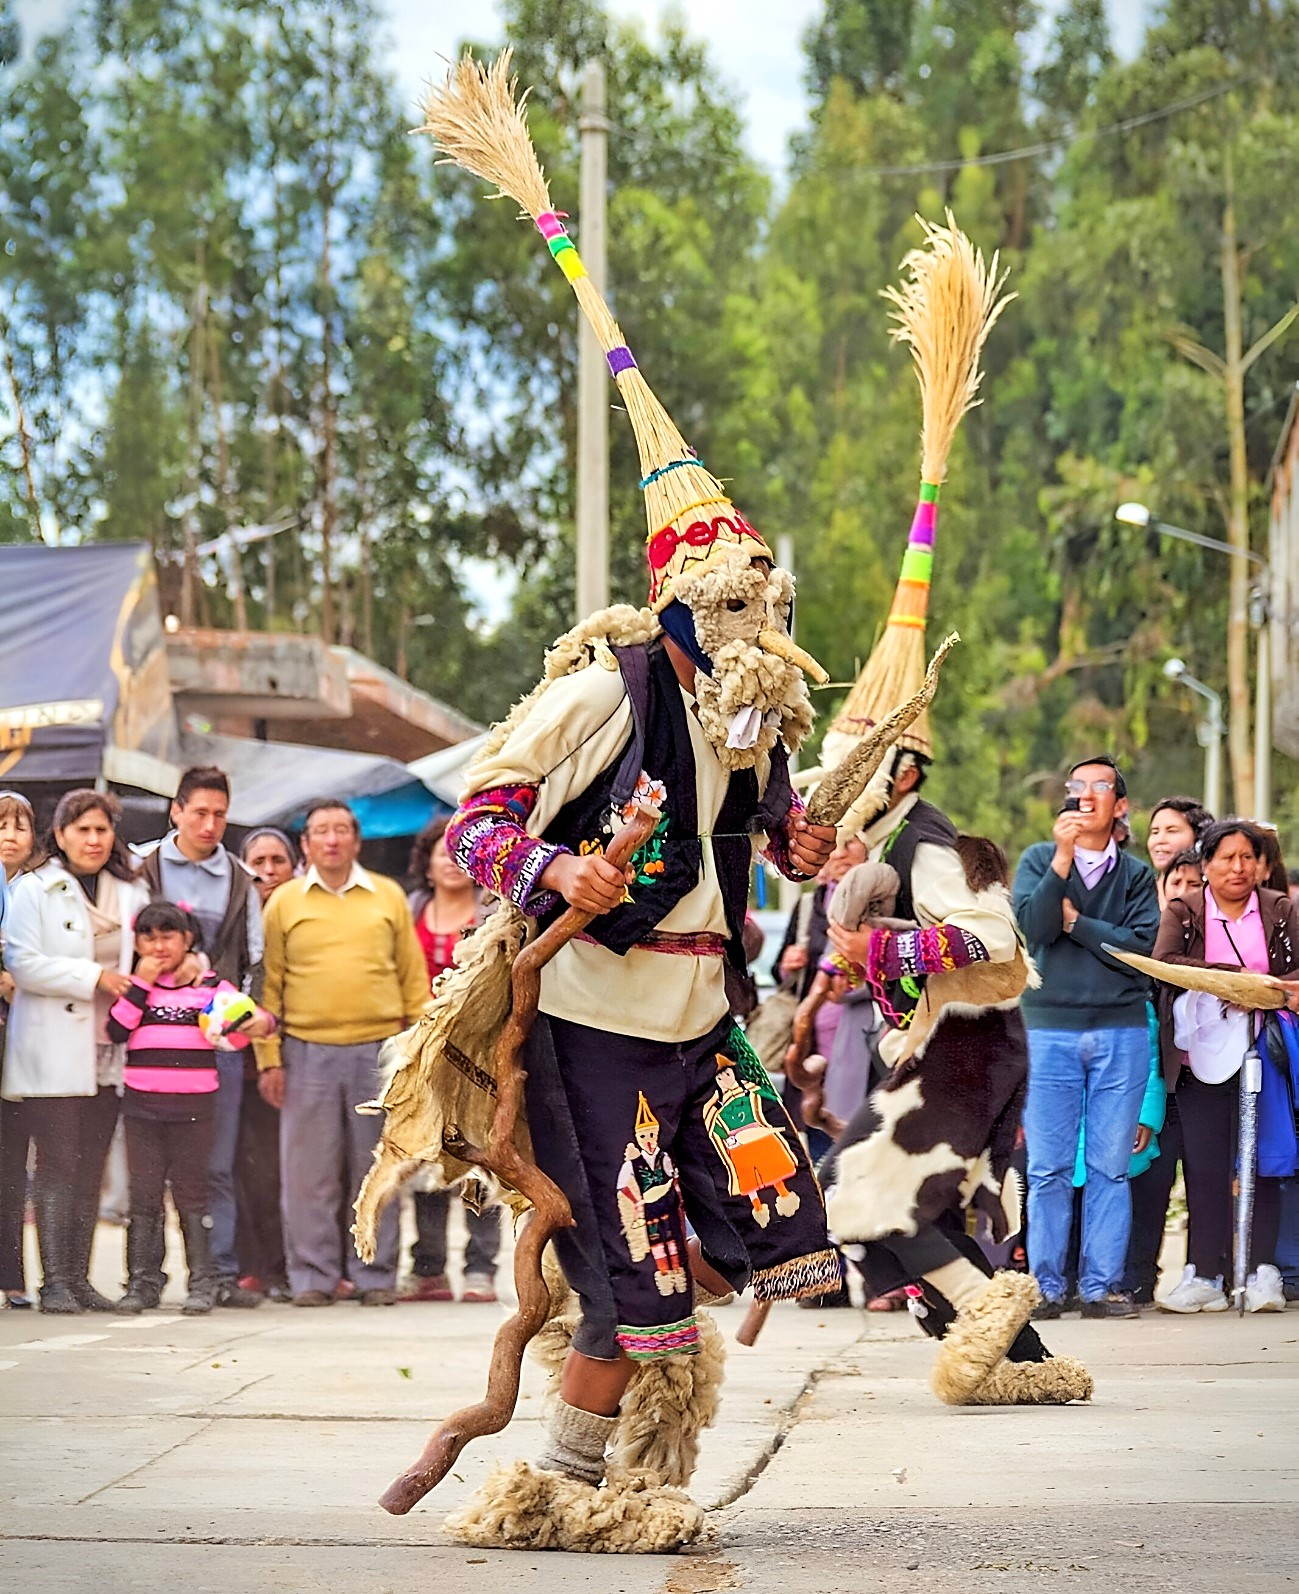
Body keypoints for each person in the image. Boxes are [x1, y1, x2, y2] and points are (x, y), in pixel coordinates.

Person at [256, 799, 429, 1306]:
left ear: (356, 840)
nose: (331, 840)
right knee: (308, 1174)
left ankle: (375, 1276)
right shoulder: (284, 902)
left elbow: (413, 981)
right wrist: (269, 1059)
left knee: (379, 1168)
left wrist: (419, 1055)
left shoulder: (387, 895)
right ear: (305, 844)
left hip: (379, 1054)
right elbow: (269, 986)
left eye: (340, 830)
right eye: (320, 832)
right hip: (305, 1052)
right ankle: (313, 1277)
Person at [1013, 757, 1160, 1319]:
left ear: (1121, 806)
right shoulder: (1038, 859)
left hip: (1121, 1031)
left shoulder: (1137, 876)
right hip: (1048, 1030)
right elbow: (1034, 929)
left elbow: (1139, 951)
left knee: (1109, 1167)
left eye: (1101, 786)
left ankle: (1100, 1287)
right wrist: (1062, 860)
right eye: (1078, 786)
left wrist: (1078, 925)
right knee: (1047, 1168)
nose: (1087, 794)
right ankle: (1047, 1288)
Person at [2, 790, 149, 1313]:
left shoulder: (131, 890)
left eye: (102, 829)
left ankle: (80, 1279)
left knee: (90, 1167)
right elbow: (22, 962)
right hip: (52, 1049)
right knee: (58, 1166)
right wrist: (94, 977)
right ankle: (55, 1282)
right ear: (60, 834)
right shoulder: (35, 888)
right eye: (82, 829)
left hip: (108, 1050)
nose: (93, 839)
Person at [1153, 820, 1299, 1313]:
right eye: (1226, 858)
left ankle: (1262, 1273)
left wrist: (1268, 990)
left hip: (1264, 1054)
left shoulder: (1280, 909)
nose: (1238, 867)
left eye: (1247, 858)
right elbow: (1165, 962)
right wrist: (1232, 980)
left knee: (1263, 1161)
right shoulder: (1184, 910)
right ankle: (1204, 1274)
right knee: (1205, 1165)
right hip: (1201, 1057)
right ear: (1206, 864)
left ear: (1261, 864)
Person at [108, 903, 276, 1315]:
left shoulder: (210, 987)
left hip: (195, 1110)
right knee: (144, 1197)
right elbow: (116, 1029)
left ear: (188, 940)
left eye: (168, 936)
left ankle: (203, 1282)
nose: (158, 946)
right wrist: (142, 983)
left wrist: (261, 1023)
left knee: (193, 1196)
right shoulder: (136, 986)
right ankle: (143, 1282)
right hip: (142, 1109)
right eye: (149, 938)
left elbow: (256, 1019)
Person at [138, 767, 263, 1308]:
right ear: (176, 811)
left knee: (215, 1164)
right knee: (149, 1171)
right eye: (199, 813)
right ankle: (146, 1278)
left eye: (220, 815)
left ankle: (219, 1275)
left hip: (214, 1046)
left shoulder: (238, 878)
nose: (210, 825)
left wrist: (229, 1015)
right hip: (149, 1040)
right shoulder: (141, 866)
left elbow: (255, 961)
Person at [402, 816, 502, 1304]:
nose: (450, 861)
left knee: (480, 1158)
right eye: (440, 852)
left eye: (458, 852)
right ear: (426, 863)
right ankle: (429, 1268)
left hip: (479, 1051)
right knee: (426, 1157)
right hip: (421, 1052)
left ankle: (481, 1267)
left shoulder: (495, 912)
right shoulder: (409, 910)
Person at [232, 827, 299, 1300]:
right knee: (246, 1167)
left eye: (278, 861)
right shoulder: (235, 918)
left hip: (294, 1057)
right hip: (239, 1061)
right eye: (258, 863)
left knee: (289, 1169)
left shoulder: (305, 916)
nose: (268, 872)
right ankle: (251, 1265)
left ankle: (288, 1267)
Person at [0, 791, 38, 1308]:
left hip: (24, 1042)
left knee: (12, 1163)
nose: (10, 836)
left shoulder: (40, 891)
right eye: (1, 825)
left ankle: (11, 1275)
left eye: (20, 826)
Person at [1146, 796, 1211, 907]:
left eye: (1172, 831)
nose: (1160, 840)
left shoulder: (1217, 900)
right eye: (1155, 832)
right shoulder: (1135, 896)